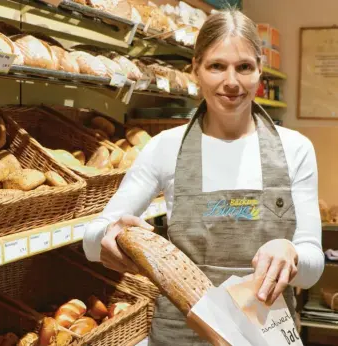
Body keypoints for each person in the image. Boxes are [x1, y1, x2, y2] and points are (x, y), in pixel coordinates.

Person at [83, 8, 325, 345]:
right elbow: (91, 238)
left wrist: (291, 252)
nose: (231, 81)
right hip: (180, 336)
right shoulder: (165, 148)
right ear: (195, 68)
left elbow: (313, 267)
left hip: (264, 336)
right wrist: (113, 235)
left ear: (259, 72)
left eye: (244, 67)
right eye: (216, 66)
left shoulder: (294, 150)